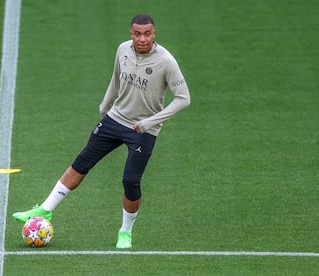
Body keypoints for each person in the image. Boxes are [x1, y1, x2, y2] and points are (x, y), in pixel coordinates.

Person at [13, 14, 191, 249]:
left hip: (142, 130)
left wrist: (150, 123)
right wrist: (105, 105)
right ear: (131, 34)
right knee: (82, 162)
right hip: (115, 119)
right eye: (137, 34)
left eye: (147, 33)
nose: (142, 38)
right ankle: (45, 210)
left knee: (130, 181)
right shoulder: (122, 50)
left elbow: (183, 99)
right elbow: (116, 80)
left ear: (154, 33)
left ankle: (125, 232)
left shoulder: (166, 61)